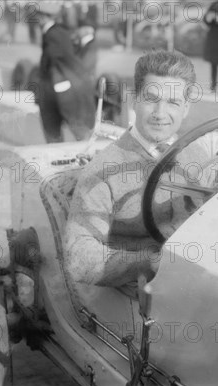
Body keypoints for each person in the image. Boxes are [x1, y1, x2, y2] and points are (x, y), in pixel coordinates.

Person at [65, 50, 196, 289]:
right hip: (132, 296)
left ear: (186, 108)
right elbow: (79, 259)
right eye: (151, 99)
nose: (160, 113)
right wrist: (149, 263)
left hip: (192, 286)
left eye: (173, 102)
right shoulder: (102, 171)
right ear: (135, 100)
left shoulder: (197, 156)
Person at [36, 3, 96, 143]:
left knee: (63, 132)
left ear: (44, 17)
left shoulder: (53, 34)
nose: (37, 19)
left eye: (38, 15)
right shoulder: (57, 32)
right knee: (71, 131)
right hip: (62, 91)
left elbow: (58, 63)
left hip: (61, 93)